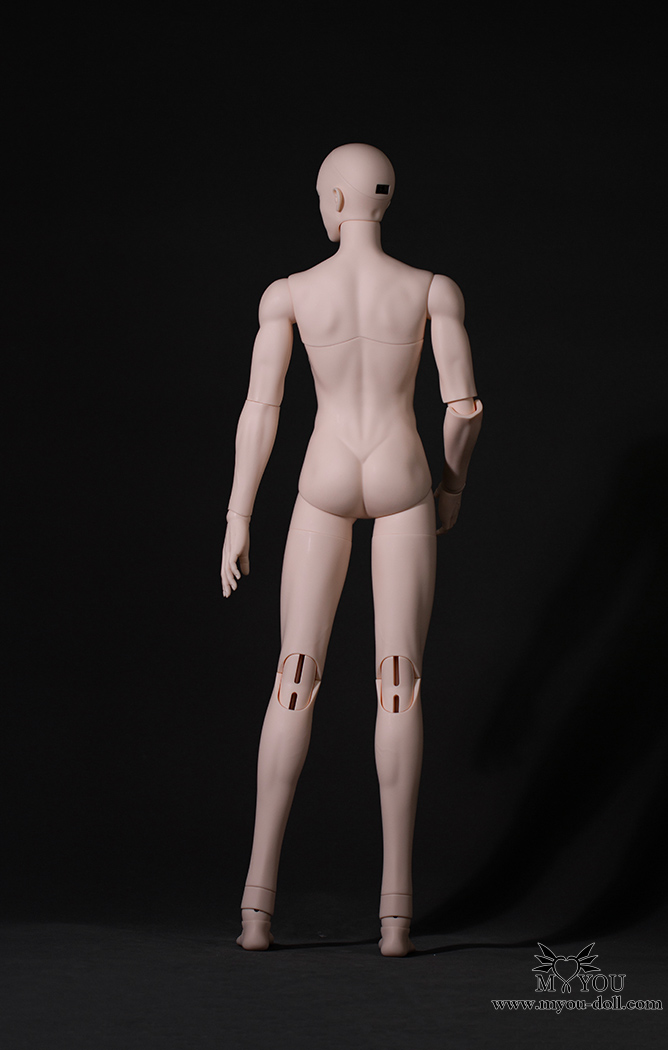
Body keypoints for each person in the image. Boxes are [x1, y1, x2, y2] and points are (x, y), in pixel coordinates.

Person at [221, 144, 482, 956]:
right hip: (402, 469)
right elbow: (464, 409)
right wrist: (450, 490)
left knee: (293, 678)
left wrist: (238, 513)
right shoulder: (432, 290)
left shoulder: (291, 294)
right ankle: (395, 917)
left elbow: (261, 407)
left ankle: (257, 908)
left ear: (335, 201)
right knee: (398, 684)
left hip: (326, 472)